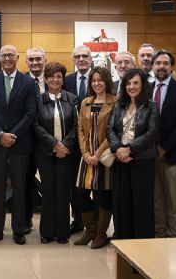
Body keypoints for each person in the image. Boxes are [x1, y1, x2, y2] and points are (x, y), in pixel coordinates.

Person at [0, 44, 37, 245]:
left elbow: (31, 113)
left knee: (20, 188)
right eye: (3, 55)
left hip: (20, 144)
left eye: (10, 55)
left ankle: (18, 230)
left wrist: (12, 134)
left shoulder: (28, 82)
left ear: (17, 57)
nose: (7, 59)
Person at [108, 68, 160, 239]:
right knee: (121, 202)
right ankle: (123, 239)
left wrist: (129, 149)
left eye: (136, 83)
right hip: (120, 160)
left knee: (141, 203)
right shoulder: (118, 104)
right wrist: (118, 149)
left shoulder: (151, 106)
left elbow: (152, 132)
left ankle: (142, 242)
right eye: (128, 83)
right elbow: (110, 129)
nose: (131, 86)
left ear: (143, 85)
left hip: (142, 160)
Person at [33, 62, 79, 244]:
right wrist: (54, 144)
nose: (55, 79)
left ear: (63, 79)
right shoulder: (38, 99)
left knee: (63, 192)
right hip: (45, 152)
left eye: (59, 76)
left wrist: (64, 146)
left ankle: (62, 232)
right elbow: (35, 125)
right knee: (48, 191)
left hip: (66, 153)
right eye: (51, 76)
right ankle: (46, 232)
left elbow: (77, 125)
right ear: (46, 79)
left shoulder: (72, 98)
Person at [73, 66, 116, 249]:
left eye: (100, 80)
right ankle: (89, 230)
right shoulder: (86, 102)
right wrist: (86, 154)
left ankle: (100, 234)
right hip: (87, 157)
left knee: (102, 196)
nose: (97, 84)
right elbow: (80, 129)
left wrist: (97, 154)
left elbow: (113, 130)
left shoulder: (115, 102)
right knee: (80, 195)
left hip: (104, 157)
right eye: (94, 81)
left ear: (107, 81)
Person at [151, 49, 176, 238]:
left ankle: (174, 233)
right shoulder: (145, 88)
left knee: (173, 198)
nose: (161, 67)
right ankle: (159, 230)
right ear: (152, 66)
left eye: (166, 63)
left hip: (173, 154)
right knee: (156, 198)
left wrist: (165, 147)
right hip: (150, 153)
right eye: (158, 63)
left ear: (171, 67)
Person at [62, 45, 93, 234]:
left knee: (95, 185)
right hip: (74, 143)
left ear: (91, 59)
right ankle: (79, 220)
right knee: (75, 185)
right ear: (73, 60)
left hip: (95, 142)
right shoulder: (67, 81)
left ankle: (96, 223)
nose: (81, 59)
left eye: (85, 56)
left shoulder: (99, 78)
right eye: (77, 56)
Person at [23, 47, 48, 234]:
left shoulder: (54, 79)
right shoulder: (21, 81)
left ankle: (51, 220)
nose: (34, 62)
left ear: (44, 60)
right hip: (26, 141)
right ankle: (25, 220)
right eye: (31, 59)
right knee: (25, 183)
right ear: (26, 62)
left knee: (51, 183)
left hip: (50, 143)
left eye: (38, 59)